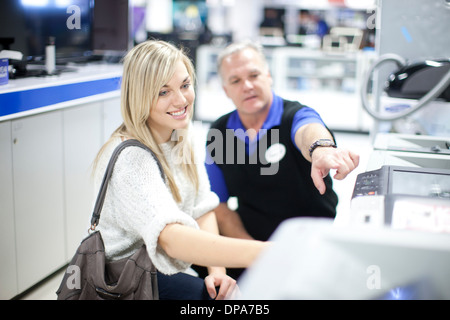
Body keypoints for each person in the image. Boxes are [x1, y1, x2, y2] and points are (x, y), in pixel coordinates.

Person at [91, 40, 268, 300]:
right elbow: (171, 238)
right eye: (163, 92)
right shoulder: (131, 157)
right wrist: (265, 252)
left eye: (185, 85)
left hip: (167, 267)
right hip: (126, 280)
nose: (181, 99)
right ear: (139, 96)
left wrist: (217, 271)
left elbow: (202, 206)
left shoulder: (182, 134)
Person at [205, 41, 359, 276]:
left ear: (268, 76)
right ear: (226, 90)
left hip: (306, 235)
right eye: (235, 80)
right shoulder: (221, 133)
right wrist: (253, 254)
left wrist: (321, 149)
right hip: (251, 237)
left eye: (254, 75)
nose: (247, 86)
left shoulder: (293, 115)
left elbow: (309, 130)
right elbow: (222, 207)